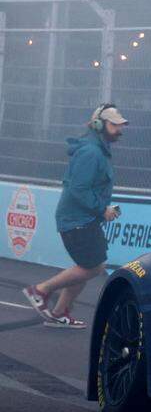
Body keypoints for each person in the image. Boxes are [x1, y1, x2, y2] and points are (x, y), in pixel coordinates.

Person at [23, 104, 128, 328]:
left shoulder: (97, 150)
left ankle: (59, 312)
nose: (119, 129)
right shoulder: (91, 152)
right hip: (77, 221)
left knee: (87, 265)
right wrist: (102, 209)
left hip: (83, 220)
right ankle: (41, 291)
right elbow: (78, 189)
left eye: (120, 125)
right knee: (93, 267)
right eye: (114, 125)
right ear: (99, 125)